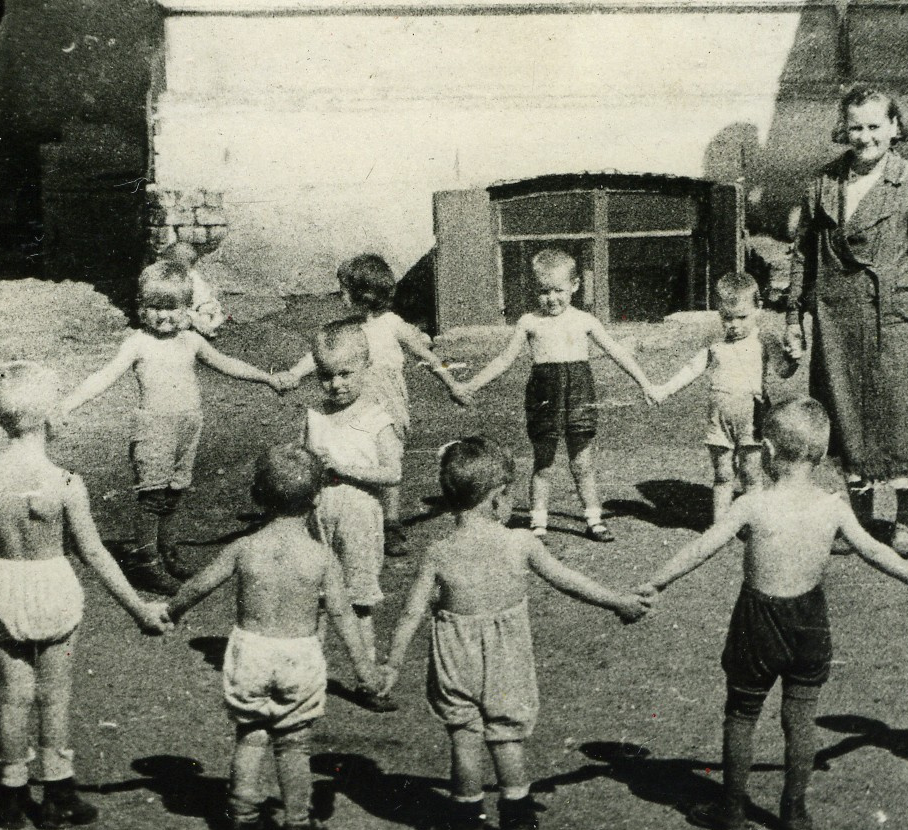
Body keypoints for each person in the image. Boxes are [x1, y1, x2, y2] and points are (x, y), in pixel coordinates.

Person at [639, 398, 908, 830]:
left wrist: (656, 582)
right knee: (800, 717)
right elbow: (874, 550)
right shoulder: (834, 505)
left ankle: (732, 808)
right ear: (820, 455)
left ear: (765, 449)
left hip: (758, 619)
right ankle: (794, 809)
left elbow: (702, 547)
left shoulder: (751, 504)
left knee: (742, 713)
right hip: (809, 618)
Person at [0, 362, 170, 829]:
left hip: (5, 586)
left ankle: (10, 793)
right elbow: (96, 554)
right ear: (51, 415)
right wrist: (139, 607)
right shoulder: (65, 484)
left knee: (14, 695)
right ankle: (58, 792)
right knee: (54, 696)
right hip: (52, 585)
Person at [379, 438, 649, 830]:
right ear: (495, 501)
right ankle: (519, 821)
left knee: (465, 736)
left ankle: (467, 825)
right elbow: (568, 581)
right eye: (508, 496)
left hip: (456, 656)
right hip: (507, 656)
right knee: (506, 736)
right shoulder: (520, 543)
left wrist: (392, 665)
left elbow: (412, 613)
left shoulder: (438, 552)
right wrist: (618, 601)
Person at [165, 445, 381, 830]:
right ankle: (297, 820)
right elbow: (343, 618)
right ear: (317, 498)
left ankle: (241, 817)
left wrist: (168, 612)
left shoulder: (245, 548)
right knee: (294, 742)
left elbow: (198, 585)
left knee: (250, 735)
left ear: (259, 496)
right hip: (300, 653)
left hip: (252, 651)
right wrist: (366, 672)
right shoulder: (321, 558)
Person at [786, 85, 908, 553]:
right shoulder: (823, 183)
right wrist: (793, 317)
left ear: (894, 128)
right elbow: (803, 255)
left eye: (874, 127)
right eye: (855, 127)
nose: (865, 137)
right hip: (838, 321)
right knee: (848, 416)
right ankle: (862, 522)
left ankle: (905, 522)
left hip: (898, 319)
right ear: (842, 130)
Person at [60, 260, 280, 594]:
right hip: (153, 429)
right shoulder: (138, 343)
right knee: (152, 496)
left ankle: (167, 551)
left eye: (172, 308)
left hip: (188, 426)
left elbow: (227, 365)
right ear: (140, 308)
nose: (164, 316)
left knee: (175, 493)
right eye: (154, 308)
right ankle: (145, 563)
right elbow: (104, 376)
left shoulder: (191, 340)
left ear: (187, 308)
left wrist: (266, 377)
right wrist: (68, 404)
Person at [451, 249, 654, 542]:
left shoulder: (585, 320)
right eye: (544, 291)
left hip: (580, 395)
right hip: (543, 396)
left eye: (558, 290)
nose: (552, 298)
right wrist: (472, 384)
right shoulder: (529, 322)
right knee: (543, 463)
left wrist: (644, 382)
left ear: (574, 286)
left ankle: (594, 521)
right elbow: (503, 360)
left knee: (582, 463)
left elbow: (616, 352)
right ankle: (539, 524)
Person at [274, 254, 467, 555]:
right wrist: (295, 373)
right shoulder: (345, 330)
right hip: (352, 408)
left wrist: (452, 384)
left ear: (364, 292)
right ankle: (344, 515)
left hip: (389, 405)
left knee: (388, 462)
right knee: (352, 459)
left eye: (344, 289)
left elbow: (428, 357)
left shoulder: (393, 324)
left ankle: (390, 524)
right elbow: (320, 356)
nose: (340, 295)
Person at [301, 320, 403, 711]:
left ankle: (367, 677)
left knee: (359, 600)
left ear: (365, 367)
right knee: (319, 599)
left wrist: (343, 468)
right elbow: (302, 463)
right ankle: (310, 679)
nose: (336, 384)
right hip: (318, 519)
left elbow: (392, 473)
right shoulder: (314, 417)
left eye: (346, 373)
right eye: (326, 376)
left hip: (360, 519)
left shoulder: (377, 418)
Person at [648, 271, 795, 526]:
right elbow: (692, 368)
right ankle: (720, 527)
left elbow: (783, 371)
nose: (734, 325)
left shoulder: (764, 339)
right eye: (727, 318)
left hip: (752, 416)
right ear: (719, 312)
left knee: (751, 473)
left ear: (758, 309)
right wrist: (665, 389)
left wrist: (792, 357)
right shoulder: (715, 342)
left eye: (742, 317)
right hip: (719, 418)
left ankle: (755, 524)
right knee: (723, 473)